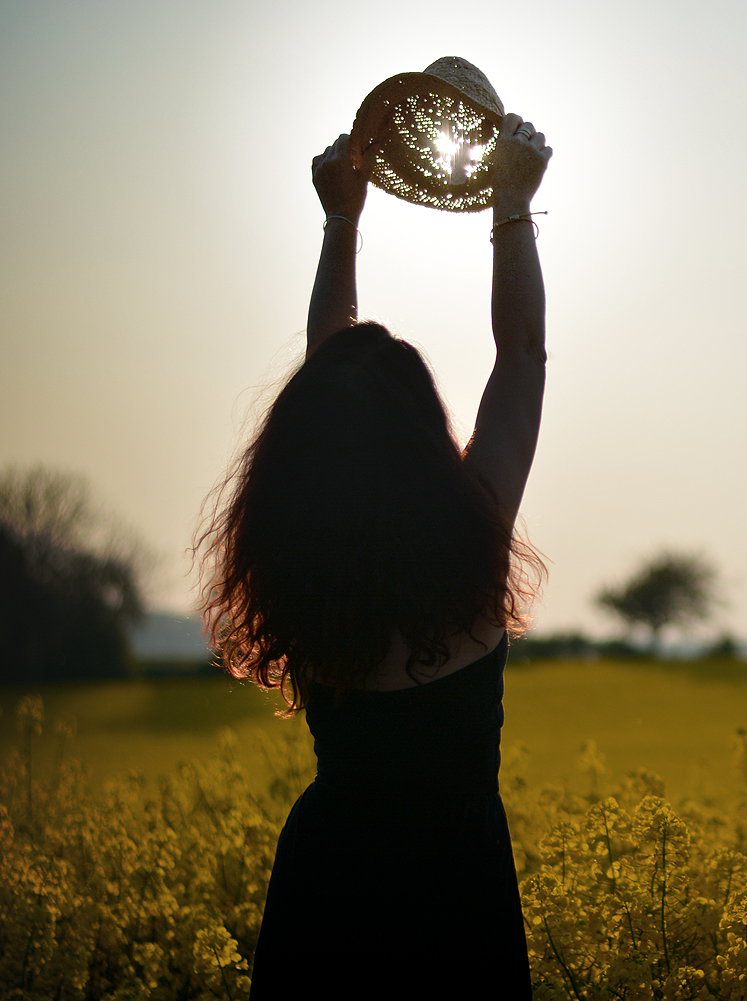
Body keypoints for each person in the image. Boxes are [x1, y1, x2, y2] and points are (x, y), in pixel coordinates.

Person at [198, 112, 551, 998]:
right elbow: (521, 358)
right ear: (425, 435)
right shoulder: (470, 554)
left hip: (329, 890)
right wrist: (512, 206)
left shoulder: (309, 570)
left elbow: (330, 385)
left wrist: (341, 221)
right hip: (458, 892)